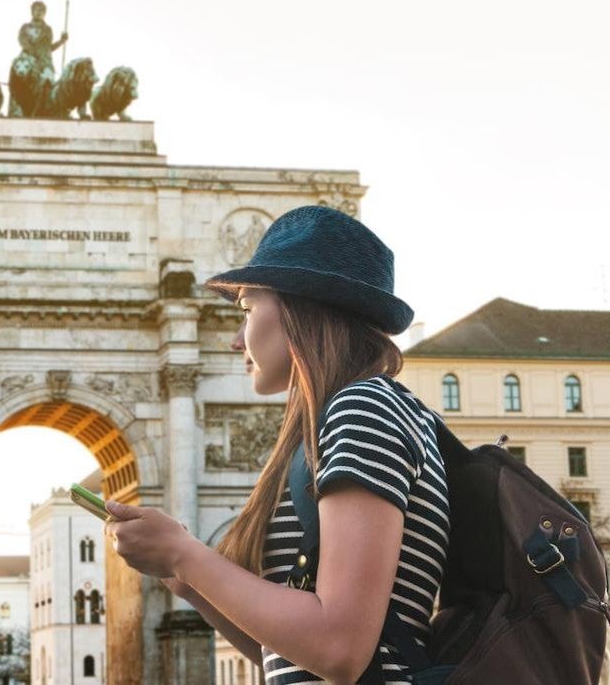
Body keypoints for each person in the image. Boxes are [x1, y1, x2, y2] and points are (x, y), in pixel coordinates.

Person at [105, 205, 449, 684]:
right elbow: (284, 654)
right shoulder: (333, 423)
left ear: (299, 310)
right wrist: (188, 581)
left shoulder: (364, 408)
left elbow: (340, 648)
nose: (235, 340)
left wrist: (186, 554)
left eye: (247, 310)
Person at [17, 1, 68, 81]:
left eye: (41, 10)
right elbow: (23, 41)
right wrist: (33, 53)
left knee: (49, 80)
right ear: (32, 12)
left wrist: (61, 41)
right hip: (27, 60)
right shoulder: (25, 27)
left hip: (44, 62)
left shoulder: (48, 30)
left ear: (44, 13)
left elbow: (49, 48)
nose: (39, 12)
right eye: (37, 10)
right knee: (18, 74)